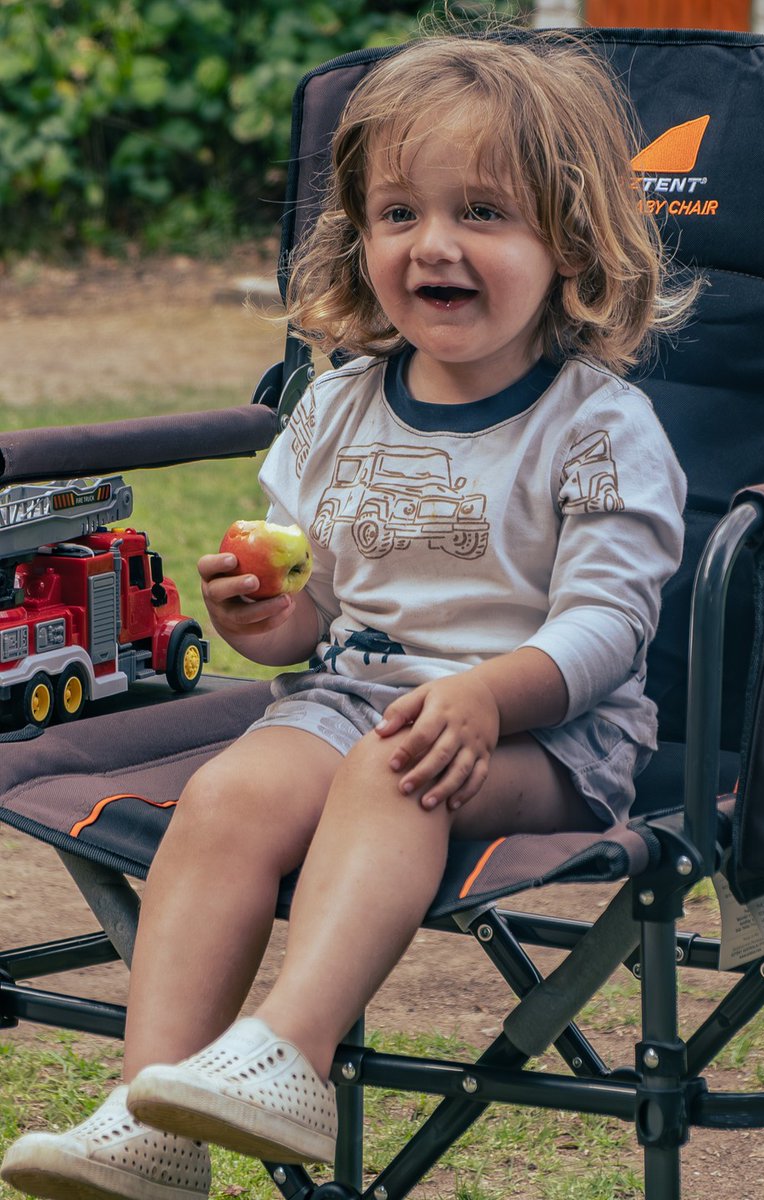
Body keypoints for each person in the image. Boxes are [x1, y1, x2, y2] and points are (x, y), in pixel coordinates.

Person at [1, 28, 696, 1200]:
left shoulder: (598, 427)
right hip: (348, 695)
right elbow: (311, 616)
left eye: (484, 212)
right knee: (227, 793)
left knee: (392, 763)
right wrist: (257, 616)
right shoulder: (335, 410)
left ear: (569, 243)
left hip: (548, 735)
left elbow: (607, 628)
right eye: (398, 214)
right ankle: (151, 1115)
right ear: (358, 237)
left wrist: (479, 695)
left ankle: (292, 1057)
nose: (435, 245)